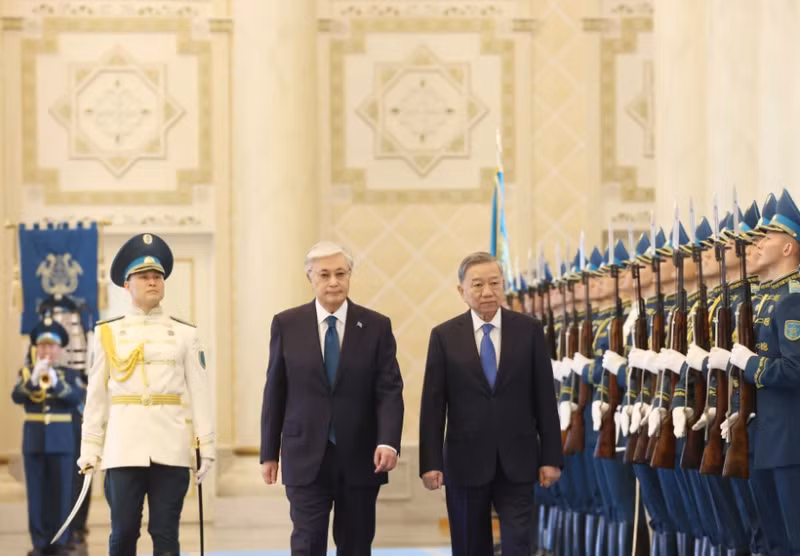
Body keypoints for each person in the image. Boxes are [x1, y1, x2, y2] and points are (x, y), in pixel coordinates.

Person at [260, 240, 404, 556]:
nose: (334, 282)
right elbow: (275, 390)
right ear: (310, 278)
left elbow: (389, 390)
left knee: (356, 544)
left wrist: (388, 441)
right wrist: (269, 452)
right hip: (305, 455)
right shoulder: (287, 324)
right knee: (307, 543)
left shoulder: (377, 326)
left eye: (341, 273)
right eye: (324, 275)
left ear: (350, 276)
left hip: (362, 456)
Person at [77, 232, 215, 556]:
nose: (152, 282)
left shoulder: (185, 333)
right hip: (123, 448)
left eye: (157, 277)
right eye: (143, 277)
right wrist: (89, 447)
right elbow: (95, 396)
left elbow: (200, 392)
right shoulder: (107, 332)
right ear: (127, 284)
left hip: (170, 448)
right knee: (123, 533)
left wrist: (206, 444)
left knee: (166, 535)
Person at [419, 251, 562, 556]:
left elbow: (544, 398)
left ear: (503, 286)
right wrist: (430, 462)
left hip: (519, 460)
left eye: (494, 283)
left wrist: (550, 457)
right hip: (464, 461)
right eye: (478, 284)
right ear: (462, 291)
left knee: (517, 545)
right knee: (470, 545)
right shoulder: (444, 336)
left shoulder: (529, 330)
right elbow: (433, 406)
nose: (487, 292)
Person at [12, 317, 83, 556]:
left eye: (51, 346)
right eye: (42, 346)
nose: (46, 350)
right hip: (34, 441)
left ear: (59, 348)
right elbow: (17, 397)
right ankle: (39, 543)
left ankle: (60, 541)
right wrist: (33, 380)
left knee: (62, 493)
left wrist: (55, 384)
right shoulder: (26, 372)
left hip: (62, 442)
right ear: (36, 348)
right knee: (37, 495)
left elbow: (75, 398)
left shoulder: (70, 375)